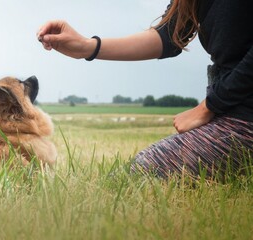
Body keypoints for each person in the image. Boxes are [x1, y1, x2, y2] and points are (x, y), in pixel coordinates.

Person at [37, 0, 253, 179]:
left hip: (244, 117)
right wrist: (86, 46)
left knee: (135, 179)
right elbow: (170, 36)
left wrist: (210, 105)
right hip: (229, 109)